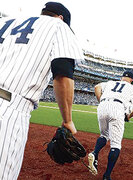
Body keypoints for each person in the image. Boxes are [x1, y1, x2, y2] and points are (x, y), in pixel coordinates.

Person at [0, 2, 84, 179]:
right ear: (61, 18)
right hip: (7, 110)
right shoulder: (59, 26)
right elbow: (62, 73)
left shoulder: (5, 22)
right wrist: (67, 120)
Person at [88, 71, 133, 180]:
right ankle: (106, 176)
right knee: (116, 144)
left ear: (121, 78)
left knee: (104, 135)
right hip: (118, 107)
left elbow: (97, 87)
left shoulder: (110, 82)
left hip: (103, 105)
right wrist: (129, 116)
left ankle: (95, 153)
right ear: (131, 80)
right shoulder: (132, 89)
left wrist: (101, 101)